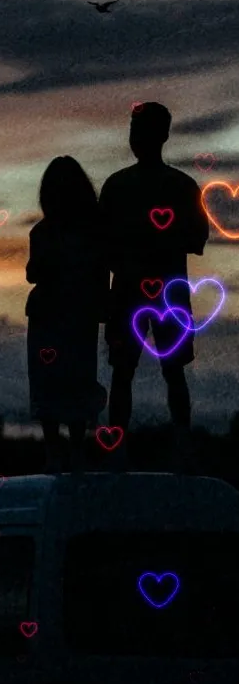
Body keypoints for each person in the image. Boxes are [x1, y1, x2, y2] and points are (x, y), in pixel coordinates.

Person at [98, 102, 209, 471]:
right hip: (163, 291)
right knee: (161, 371)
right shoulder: (180, 186)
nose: (135, 139)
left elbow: (104, 246)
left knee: (130, 372)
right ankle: (177, 445)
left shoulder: (119, 186)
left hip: (134, 292)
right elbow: (196, 238)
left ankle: (128, 448)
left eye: (140, 131)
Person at [26, 156, 109, 473]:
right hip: (76, 316)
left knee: (52, 382)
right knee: (75, 380)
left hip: (54, 315)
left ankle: (56, 453)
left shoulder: (44, 232)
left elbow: (33, 273)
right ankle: (73, 452)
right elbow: (101, 275)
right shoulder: (89, 234)